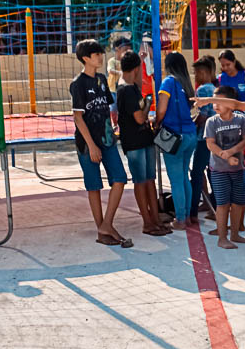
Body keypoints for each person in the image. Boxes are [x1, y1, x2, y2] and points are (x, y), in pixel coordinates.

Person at [70, 39, 132, 248]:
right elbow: (78, 119)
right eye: (96, 54)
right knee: (94, 186)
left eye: (100, 53)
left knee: (120, 178)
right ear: (85, 58)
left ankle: (106, 225)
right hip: (88, 144)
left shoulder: (102, 79)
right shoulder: (77, 84)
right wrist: (92, 146)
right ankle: (102, 230)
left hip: (107, 140)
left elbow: (107, 108)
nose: (100, 56)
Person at [117, 50, 170, 237]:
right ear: (137, 69)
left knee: (149, 180)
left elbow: (137, 86)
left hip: (141, 140)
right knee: (141, 182)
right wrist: (148, 104)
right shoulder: (126, 90)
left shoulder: (128, 86)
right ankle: (148, 222)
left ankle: (155, 219)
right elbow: (140, 118)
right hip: (135, 142)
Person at [205, 85, 245, 249]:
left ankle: (235, 233)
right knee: (222, 204)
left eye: (220, 101)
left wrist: (232, 152)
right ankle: (222, 238)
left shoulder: (240, 119)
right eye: (214, 101)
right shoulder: (211, 122)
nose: (216, 105)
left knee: (239, 202)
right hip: (219, 170)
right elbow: (210, 144)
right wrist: (223, 155)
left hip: (237, 168)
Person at [154, 51, 198, 231]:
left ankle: (180, 219)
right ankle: (186, 215)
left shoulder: (168, 82)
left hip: (173, 135)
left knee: (176, 180)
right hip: (190, 134)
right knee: (184, 177)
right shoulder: (186, 83)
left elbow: (162, 109)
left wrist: (156, 123)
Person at [190, 56, 218, 221]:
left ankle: (192, 211)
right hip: (216, 137)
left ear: (203, 72)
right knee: (213, 172)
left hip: (203, 138)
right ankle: (215, 206)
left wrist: (191, 125)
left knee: (196, 174)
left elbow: (203, 116)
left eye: (196, 72)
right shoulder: (216, 88)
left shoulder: (202, 90)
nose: (196, 76)